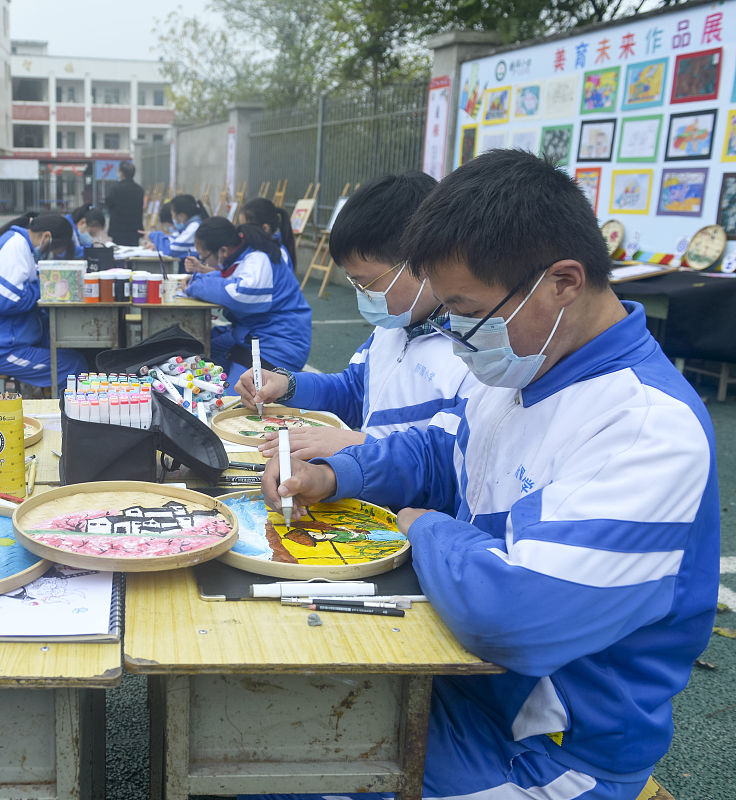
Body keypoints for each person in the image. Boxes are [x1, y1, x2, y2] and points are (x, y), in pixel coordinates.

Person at [264, 150, 719, 800]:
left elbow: (513, 615)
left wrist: (427, 529)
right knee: (254, 720)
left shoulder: (645, 427)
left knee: (276, 768)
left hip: (549, 757)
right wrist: (334, 474)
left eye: (467, 310)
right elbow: (439, 450)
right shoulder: (528, 367)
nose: (456, 333)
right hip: (468, 686)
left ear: (563, 281)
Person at [235, 172, 477, 461]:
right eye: (355, 284)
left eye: (368, 283)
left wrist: (360, 446)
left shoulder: (473, 357)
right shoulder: (393, 325)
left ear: (422, 263)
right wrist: (288, 385)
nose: (363, 294)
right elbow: (353, 390)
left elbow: (444, 464)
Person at [0, 213, 89, 388]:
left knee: (73, 353)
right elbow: (7, 302)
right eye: (53, 251)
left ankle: (46, 400)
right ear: (46, 237)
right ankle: (62, 413)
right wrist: (45, 285)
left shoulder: (23, 248)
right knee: (70, 367)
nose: (50, 257)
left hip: (9, 340)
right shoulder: (14, 247)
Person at [183, 217, 311, 382]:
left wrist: (196, 285)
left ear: (222, 250)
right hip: (255, 334)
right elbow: (227, 280)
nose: (204, 262)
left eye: (205, 257)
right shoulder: (244, 256)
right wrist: (198, 278)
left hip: (278, 346)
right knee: (199, 349)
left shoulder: (258, 258)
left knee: (232, 401)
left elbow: (239, 295)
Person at [239, 197, 297, 274]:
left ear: (265, 228)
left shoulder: (279, 254)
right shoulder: (258, 246)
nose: (242, 233)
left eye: (246, 229)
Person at [146, 194, 207, 259]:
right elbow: (171, 242)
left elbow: (172, 250)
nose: (173, 219)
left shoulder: (194, 227)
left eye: (173, 215)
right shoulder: (186, 227)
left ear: (181, 216)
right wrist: (156, 246)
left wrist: (154, 235)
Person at [104, 161, 144, 246]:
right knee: (133, 253)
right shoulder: (139, 190)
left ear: (121, 173)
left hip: (118, 230)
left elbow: (108, 203)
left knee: (119, 253)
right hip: (134, 230)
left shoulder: (115, 188)